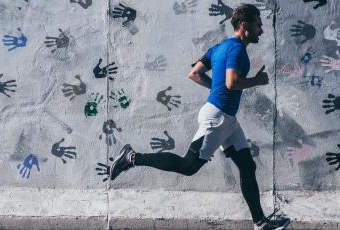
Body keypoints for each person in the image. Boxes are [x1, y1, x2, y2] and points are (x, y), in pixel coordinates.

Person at [110, 4, 290, 230]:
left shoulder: (218, 48)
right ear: (244, 25)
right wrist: (257, 80)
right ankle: (132, 157)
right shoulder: (237, 50)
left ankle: (260, 222)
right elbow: (232, 82)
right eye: (258, 24)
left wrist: (216, 89)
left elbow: (194, 73)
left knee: (247, 166)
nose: (261, 30)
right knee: (188, 166)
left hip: (228, 121)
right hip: (217, 119)